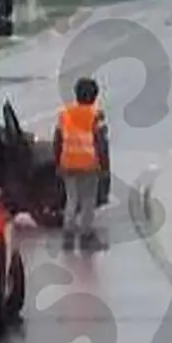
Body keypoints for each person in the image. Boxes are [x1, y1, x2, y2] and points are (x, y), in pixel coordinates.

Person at [54, 77, 109, 249]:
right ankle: (86, 237)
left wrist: (58, 161)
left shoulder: (64, 114)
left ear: (76, 94)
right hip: (89, 164)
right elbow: (101, 142)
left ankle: (68, 236)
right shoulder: (96, 115)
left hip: (68, 162)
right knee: (88, 200)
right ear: (94, 96)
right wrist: (104, 166)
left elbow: (57, 140)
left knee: (71, 199)